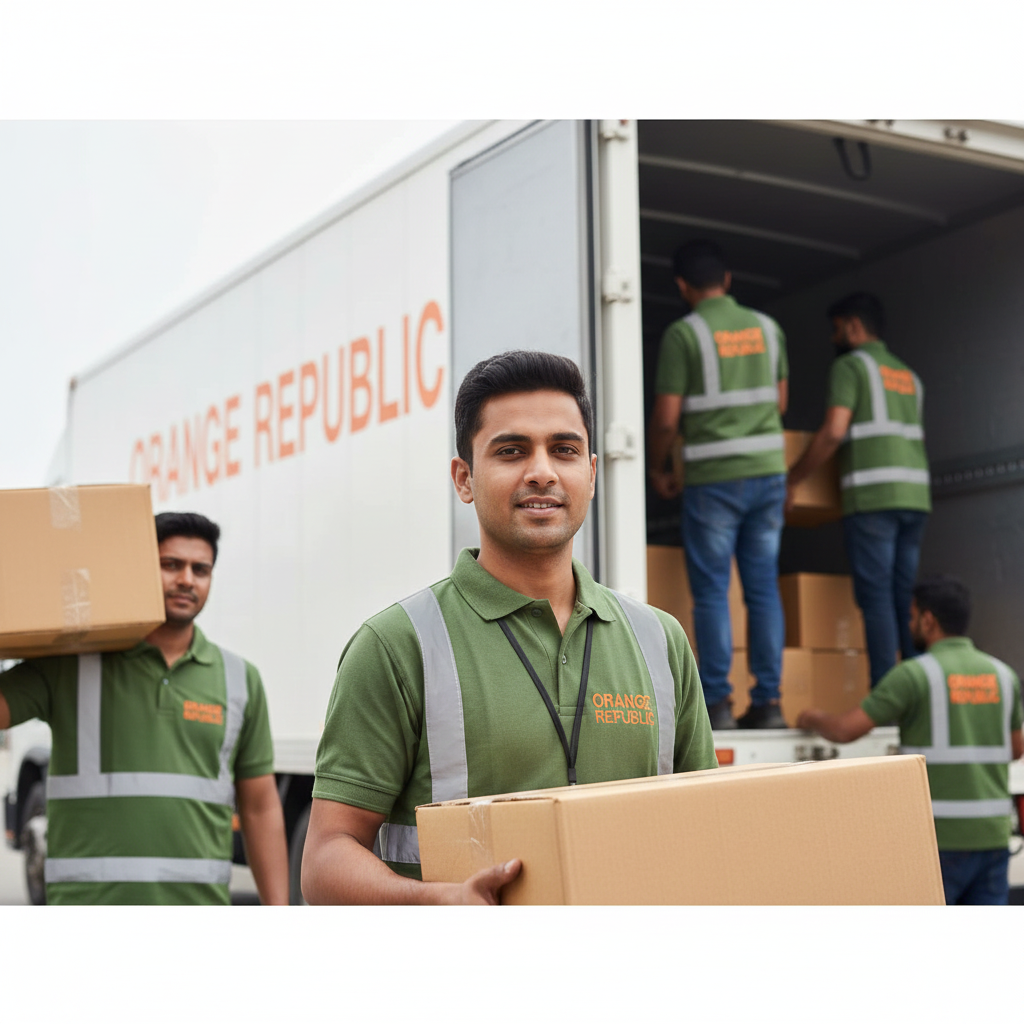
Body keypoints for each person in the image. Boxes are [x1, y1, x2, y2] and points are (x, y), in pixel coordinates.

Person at [302, 350, 718, 905]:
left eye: (564, 450)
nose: (542, 471)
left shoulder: (660, 641)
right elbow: (326, 859)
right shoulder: (397, 644)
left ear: (591, 474)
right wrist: (438, 901)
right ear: (464, 478)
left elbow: (710, 827)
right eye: (511, 450)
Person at [0, 511, 288, 906]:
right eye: (170, 565)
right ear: (139, 571)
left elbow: (259, 807)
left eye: (200, 569)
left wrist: (279, 913)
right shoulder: (72, 664)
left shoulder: (240, 679)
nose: (187, 579)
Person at [796, 576, 1023, 905]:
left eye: (912, 616)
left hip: (938, 839)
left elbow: (846, 730)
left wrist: (811, 716)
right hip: (993, 837)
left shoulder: (915, 675)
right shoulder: (1003, 675)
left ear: (929, 620)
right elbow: (1016, 749)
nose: (910, 623)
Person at [648, 239, 789, 730]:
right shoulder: (769, 329)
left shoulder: (684, 336)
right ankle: (770, 703)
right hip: (768, 474)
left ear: (683, 287)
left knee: (711, 592)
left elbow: (667, 419)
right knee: (763, 588)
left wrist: (658, 465)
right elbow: (781, 402)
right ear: (726, 280)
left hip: (713, 480)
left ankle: (719, 705)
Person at [787, 292, 930, 687]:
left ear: (853, 326)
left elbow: (834, 431)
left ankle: (887, 690)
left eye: (836, 331)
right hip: (915, 498)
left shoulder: (852, 367)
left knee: (877, 598)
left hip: (874, 498)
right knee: (905, 598)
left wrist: (794, 478)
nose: (834, 340)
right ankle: (915, 686)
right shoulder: (908, 375)